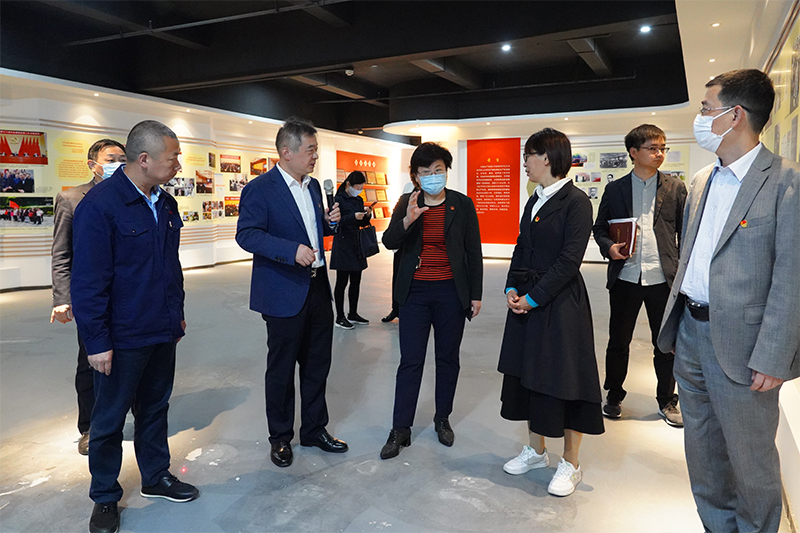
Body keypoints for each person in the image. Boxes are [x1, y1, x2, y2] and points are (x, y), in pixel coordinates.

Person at [657, 69, 799, 532]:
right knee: (703, 457)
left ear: (734, 115)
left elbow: (792, 277)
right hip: (691, 336)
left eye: (706, 109)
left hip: (746, 348)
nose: (700, 117)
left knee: (751, 463)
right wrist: (677, 327)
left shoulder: (786, 182)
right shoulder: (702, 180)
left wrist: (774, 357)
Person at [71, 121, 198, 533]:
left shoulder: (166, 203)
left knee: (155, 408)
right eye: (172, 157)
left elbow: (170, 268)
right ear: (144, 159)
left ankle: (155, 475)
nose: (178, 165)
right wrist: (96, 341)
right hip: (121, 336)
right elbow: (88, 281)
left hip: (161, 328)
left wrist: (176, 313)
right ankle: (105, 496)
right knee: (108, 421)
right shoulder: (101, 206)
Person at [236, 118, 347, 469]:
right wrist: (290, 250)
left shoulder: (313, 188)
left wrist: (329, 223)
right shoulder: (260, 189)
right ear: (287, 152)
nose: (316, 156)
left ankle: (314, 429)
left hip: (317, 287)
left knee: (317, 365)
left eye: (316, 149)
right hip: (283, 290)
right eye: (310, 150)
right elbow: (247, 234)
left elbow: (311, 229)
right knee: (282, 369)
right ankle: (281, 437)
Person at [498, 128, 604, 497]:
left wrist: (533, 298)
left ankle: (571, 463)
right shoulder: (534, 199)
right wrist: (512, 287)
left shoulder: (576, 201)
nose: (524, 163)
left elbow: (569, 261)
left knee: (567, 379)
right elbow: (521, 247)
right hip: (528, 299)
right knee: (529, 374)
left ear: (547, 157)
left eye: (528, 155)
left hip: (561, 305)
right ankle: (536, 451)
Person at [379, 142, 483, 459]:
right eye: (426, 172)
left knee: (448, 359)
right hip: (415, 294)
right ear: (415, 176)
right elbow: (389, 241)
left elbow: (473, 251)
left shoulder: (461, 204)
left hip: (451, 292)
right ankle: (400, 428)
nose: (433, 176)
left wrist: (475, 294)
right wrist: (408, 220)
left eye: (438, 170)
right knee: (410, 361)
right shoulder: (407, 202)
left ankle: (442, 419)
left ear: (446, 171)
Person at [592, 124, 687, 426]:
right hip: (626, 277)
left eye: (662, 148)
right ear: (634, 152)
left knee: (666, 343)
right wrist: (609, 248)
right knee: (619, 341)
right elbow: (600, 228)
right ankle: (614, 395)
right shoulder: (615, 189)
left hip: (663, 279)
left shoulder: (675, 188)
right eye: (652, 148)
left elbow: (686, 232)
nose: (659, 153)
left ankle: (667, 400)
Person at [50, 138, 126, 455]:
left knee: (131, 358)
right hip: (91, 297)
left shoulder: (132, 195)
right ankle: (90, 427)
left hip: (128, 295)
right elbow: (61, 253)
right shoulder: (71, 199)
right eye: (111, 159)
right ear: (92, 164)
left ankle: (123, 417)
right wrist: (61, 297)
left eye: (123, 158)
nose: (118, 164)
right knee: (90, 360)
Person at [330, 171, 373, 329]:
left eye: (361, 188)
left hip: (357, 244)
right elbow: (336, 222)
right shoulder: (338, 199)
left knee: (356, 281)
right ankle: (340, 316)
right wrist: (353, 217)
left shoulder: (359, 199)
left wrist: (367, 215)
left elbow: (361, 223)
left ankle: (353, 313)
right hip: (343, 244)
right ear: (348, 184)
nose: (359, 190)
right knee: (342, 282)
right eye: (357, 187)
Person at [381, 181, 417, 323]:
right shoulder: (406, 195)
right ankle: (396, 309)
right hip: (403, 244)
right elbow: (392, 230)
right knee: (398, 278)